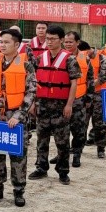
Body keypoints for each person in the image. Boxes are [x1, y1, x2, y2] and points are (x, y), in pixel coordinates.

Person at [0, 29, 37, 207]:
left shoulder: (26, 65)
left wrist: (20, 115)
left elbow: (31, 92)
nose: (2, 45)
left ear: (17, 45)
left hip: (16, 116)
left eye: (6, 42)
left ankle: (19, 191)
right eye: (1, 42)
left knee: (18, 155)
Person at [28, 25, 81, 184]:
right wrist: (32, 103)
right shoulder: (40, 58)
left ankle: (63, 171)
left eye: (53, 39)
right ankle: (41, 167)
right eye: (47, 39)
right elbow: (33, 82)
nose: (49, 42)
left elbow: (74, 83)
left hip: (60, 106)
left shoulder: (70, 59)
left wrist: (69, 105)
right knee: (41, 140)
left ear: (62, 40)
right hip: (42, 105)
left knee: (62, 141)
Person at [63, 31, 94, 168]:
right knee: (62, 130)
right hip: (63, 99)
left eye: (71, 42)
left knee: (78, 130)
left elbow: (90, 80)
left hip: (79, 99)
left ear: (78, 43)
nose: (68, 44)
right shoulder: (60, 57)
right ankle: (61, 154)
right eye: (66, 42)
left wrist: (88, 98)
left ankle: (76, 155)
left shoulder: (85, 59)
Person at [85, 40, 106, 158]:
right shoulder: (78, 57)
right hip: (83, 95)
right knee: (81, 123)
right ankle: (77, 148)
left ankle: (101, 148)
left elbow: (103, 77)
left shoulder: (102, 58)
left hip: (98, 95)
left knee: (99, 123)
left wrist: (88, 87)